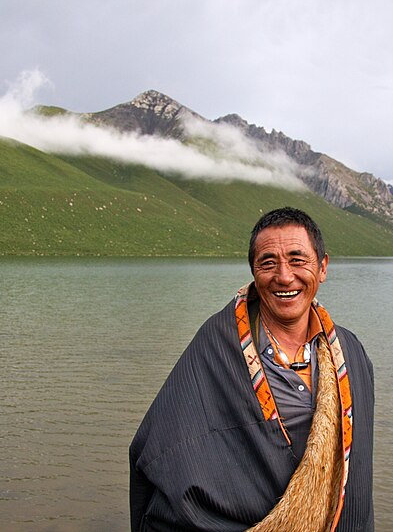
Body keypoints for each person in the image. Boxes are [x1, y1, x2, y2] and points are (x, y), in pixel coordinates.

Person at [130, 207, 374, 531]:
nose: (284, 276)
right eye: (268, 263)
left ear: (323, 267)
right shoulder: (218, 345)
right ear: (254, 273)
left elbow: (355, 475)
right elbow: (161, 449)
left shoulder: (349, 351)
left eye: (298, 259)